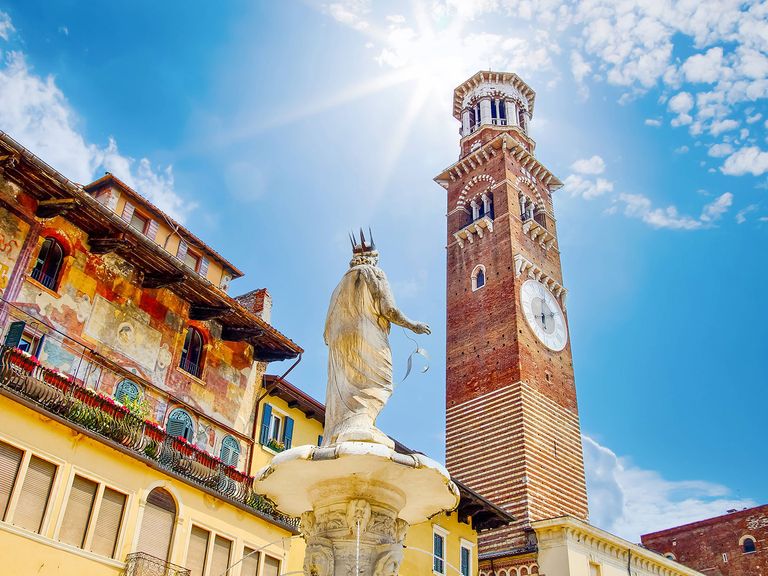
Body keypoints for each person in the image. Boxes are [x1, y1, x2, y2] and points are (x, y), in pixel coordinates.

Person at [322, 232, 430, 447]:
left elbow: (326, 330)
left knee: (345, 385)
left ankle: (340, 428)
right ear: (373, 258)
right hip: (367, 333)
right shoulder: (374, 273)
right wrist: (413, 325)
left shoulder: (338, 286)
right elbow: (389, 309)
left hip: (337, 341)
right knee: (380, 382)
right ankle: (359, 424)